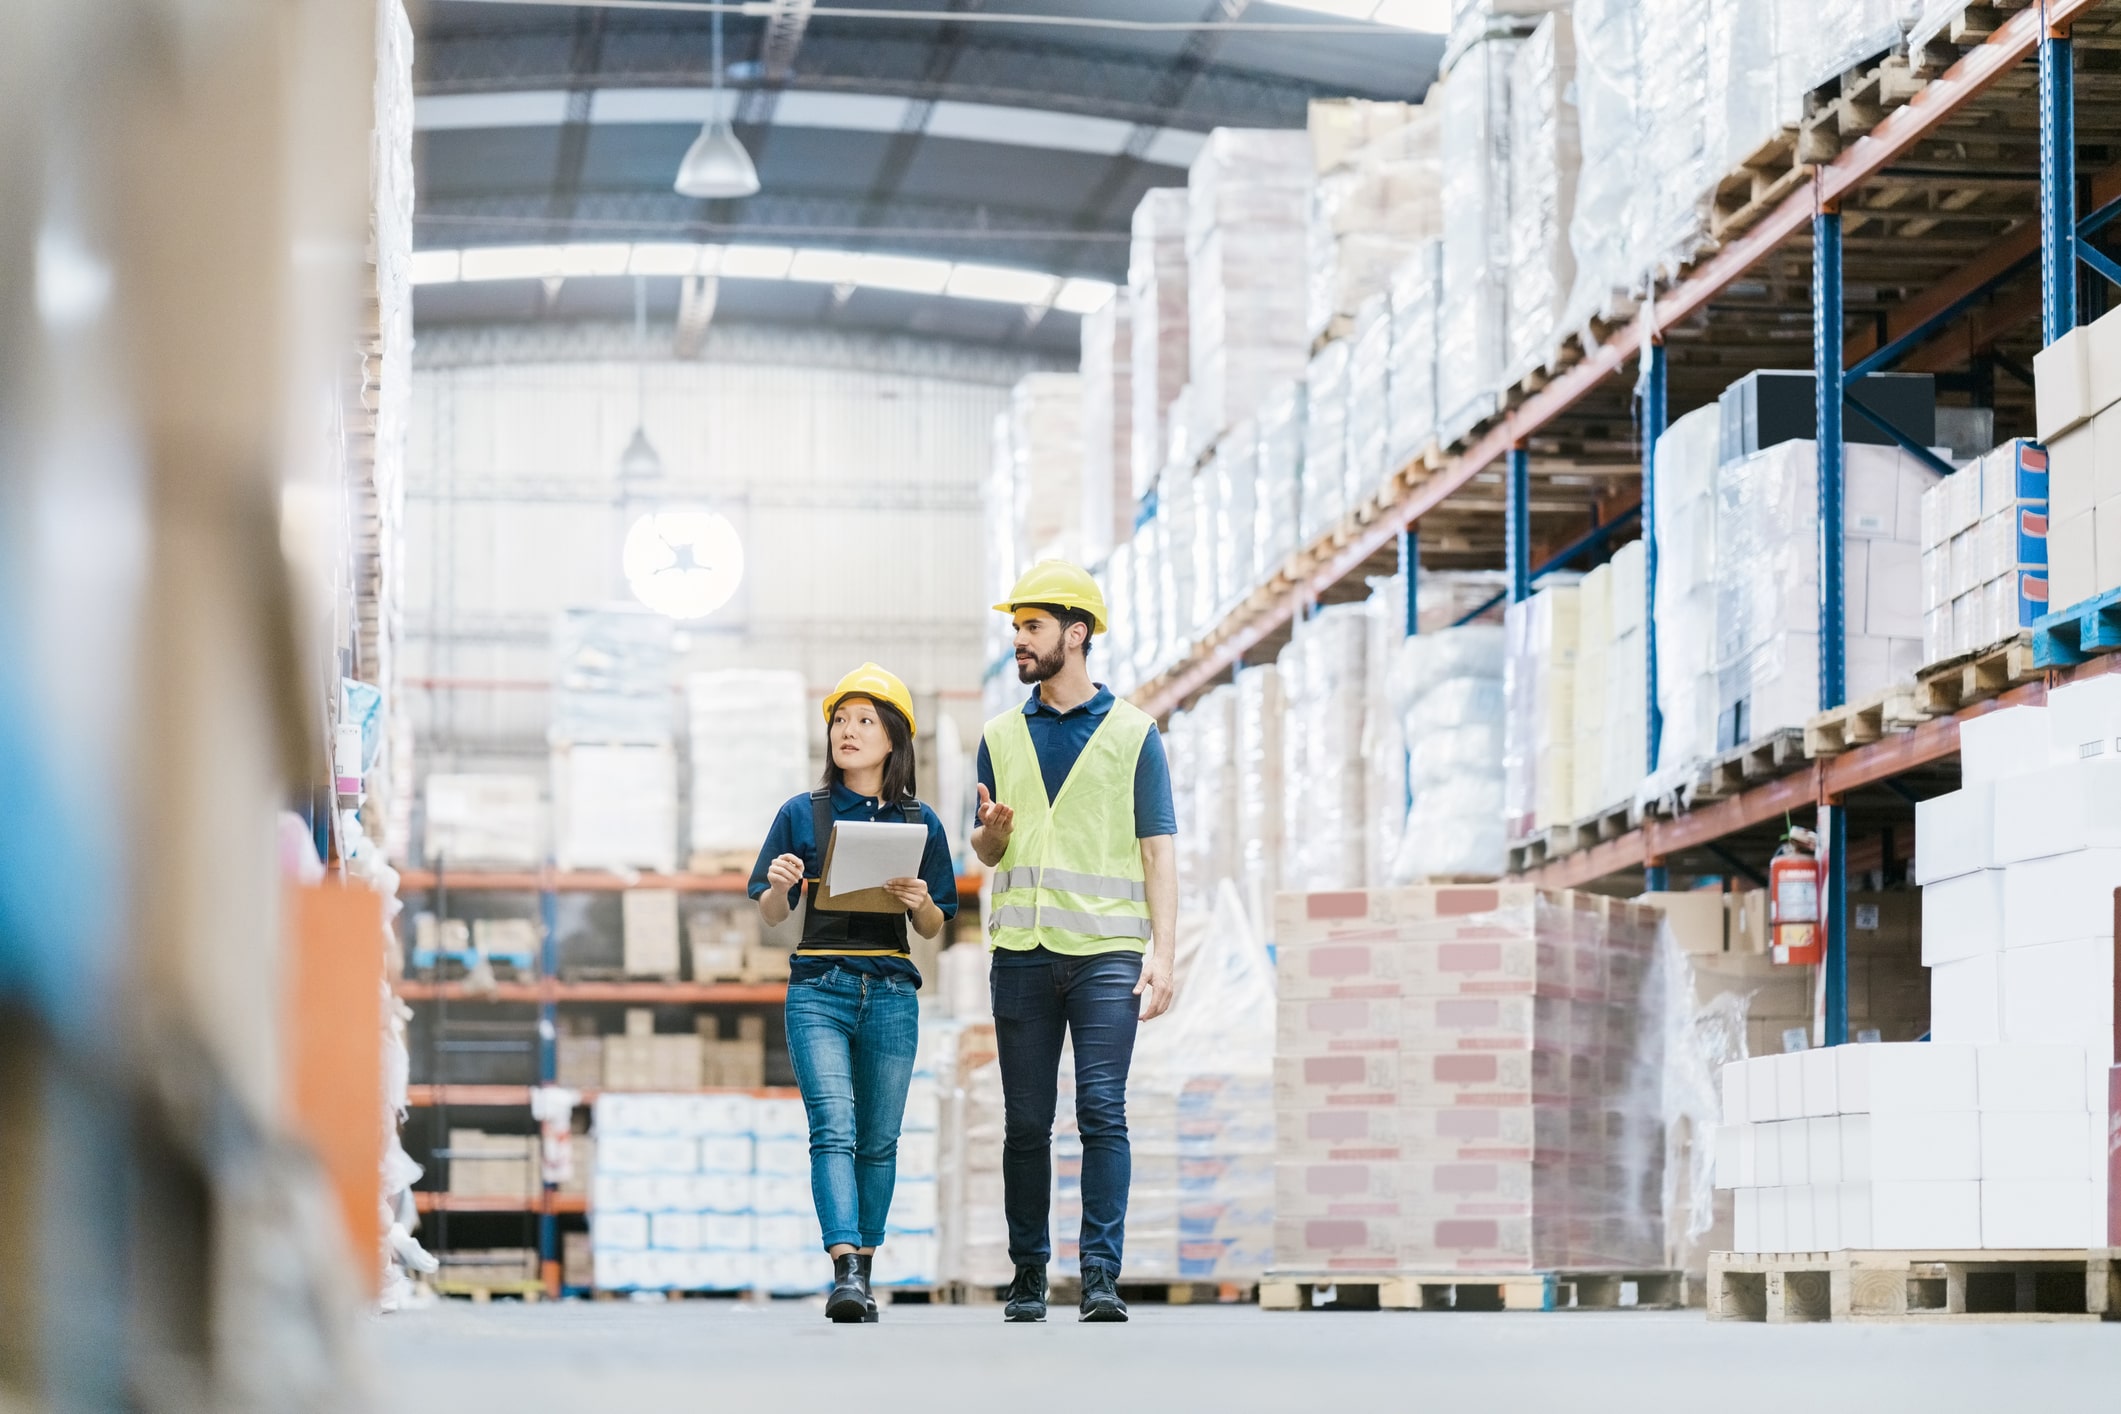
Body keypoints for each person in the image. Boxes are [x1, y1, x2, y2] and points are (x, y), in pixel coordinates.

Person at [972, 560, 1177, 1324]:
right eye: (1015, 628)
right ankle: (1028, 1273)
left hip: (1106, 956)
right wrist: (989, 839)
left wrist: (1163, 953)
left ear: (1076, 632)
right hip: (1022, 955)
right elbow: (988, 855)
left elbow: (1158, 850)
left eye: (1031, 627)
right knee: (1025, 1122)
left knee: (1101, 1110)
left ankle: (1099, 1276)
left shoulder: (1133, 735)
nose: (1018, 642)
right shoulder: (997, 735)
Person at [751, 663, 958, 1322]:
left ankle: (863, 1271)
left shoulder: (918, 821)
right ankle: (843, 1269)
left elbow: (934, 925)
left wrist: (920, 900)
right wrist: (781, 884)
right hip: (819, 989)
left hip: (892, 993)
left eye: (865, 720)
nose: (848, 730)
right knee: (833, 1130)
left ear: (893, 738)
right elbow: (770, 914)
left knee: (878, 1140)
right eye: (841, 719)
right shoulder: (800, 814)